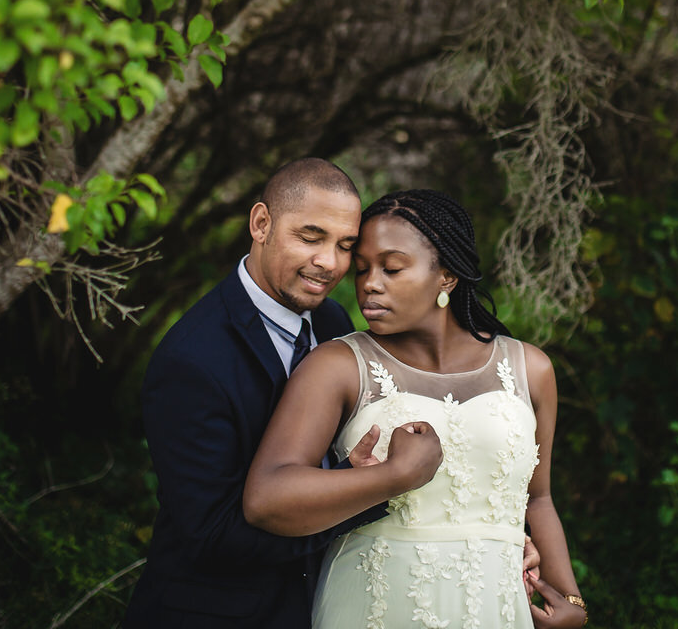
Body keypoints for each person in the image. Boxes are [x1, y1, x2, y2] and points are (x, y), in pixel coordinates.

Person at [244, 189, 589, 629]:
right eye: (363, 267)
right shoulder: (337, 366)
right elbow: (267, 497)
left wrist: (570, 600)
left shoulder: (530, 368)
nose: (370, 283)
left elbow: (537, 499)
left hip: (496, 608)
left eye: (391, 268)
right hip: (374, 606)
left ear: (446, 276)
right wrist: (391, 476)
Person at [124, 159, 444, 629]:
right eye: (310, 237)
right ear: (261, 224)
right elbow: (214, 535)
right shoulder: (191, 360)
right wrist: (368, 491)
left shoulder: (334, 323)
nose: (329, 263)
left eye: (344, 246)